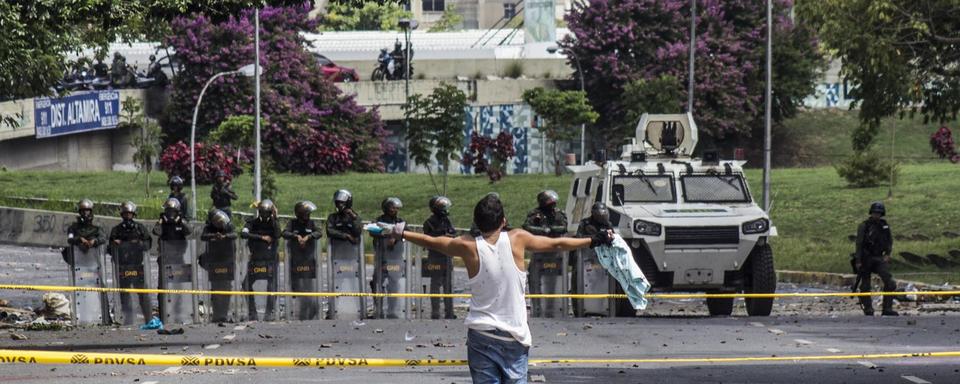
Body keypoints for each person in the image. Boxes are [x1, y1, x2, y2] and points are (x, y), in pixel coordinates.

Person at [375, 194, 612, 383]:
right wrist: (594, 240)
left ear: (477, 222)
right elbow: (558, 243)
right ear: (504, 221)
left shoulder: (467, 246)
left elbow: (433, 241)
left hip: (481, 334)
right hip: (514, 336)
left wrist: (399, 231)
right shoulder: (518, 238)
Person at [522, 190, 568, 317]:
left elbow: (564, 227)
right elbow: (526, 227)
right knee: (535, 280)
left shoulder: (559, 214)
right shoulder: (535, 214)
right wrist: (542, 230)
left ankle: (552, 309)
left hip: (555, 253)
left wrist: (552, 229)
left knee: (554, 283)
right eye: (549, 203)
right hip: (539, 252)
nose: (552, 206)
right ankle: (537, 308)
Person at [108, 202, 153, 325]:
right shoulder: (116, 230)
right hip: (123, 265)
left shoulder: (140, 228)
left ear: (133, 214)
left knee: (143, 294)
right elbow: (110, 249)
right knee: (124, 295)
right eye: (125, 214)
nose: (128, 217)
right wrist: (116, 244)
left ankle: (148, 319)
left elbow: (148, 245)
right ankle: (128, 320)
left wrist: (138, 243)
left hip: (137, 265)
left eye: (130, 214)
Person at [854, 201, 898, 316]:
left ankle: (887, 308)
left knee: (890, 282)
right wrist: (858, 260)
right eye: (875, 213)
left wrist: (887, 254)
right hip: (866, 258)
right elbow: (859, 244)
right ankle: (868, 308)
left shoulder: (884, 225)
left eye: (879, 213)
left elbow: (889, 241)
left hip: (879, 257)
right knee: (865, 285)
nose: (876, 215)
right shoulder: (864, 226)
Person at [240, 199, 281, 321]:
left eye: (267, 212)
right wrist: (261, 237)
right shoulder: (252, 223)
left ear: (270, 213)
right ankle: (253, 312)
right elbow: (243, 233)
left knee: (272, 286)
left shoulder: (273, 224)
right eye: (262, 212)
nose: (264, 215)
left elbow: (278, 234)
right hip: (255, 259)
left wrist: (275, 218)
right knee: (245, 284)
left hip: (270, 260)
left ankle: (269, 312)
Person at [152, 198, 192, 321]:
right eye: (168, 211)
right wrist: (160, 222)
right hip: (165, 258)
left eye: (173, 211)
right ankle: (163, 312)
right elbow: (156, 232)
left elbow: (189, 231)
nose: (170, 214)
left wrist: (180, 221)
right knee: (162, 287)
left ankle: (179, 311)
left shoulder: (181, 222)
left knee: (179, 286)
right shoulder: (162, 222)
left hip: (178, 258)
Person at [282, 201, 322, 320]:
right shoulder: (292, 224)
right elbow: (284, 233)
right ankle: (300, 312)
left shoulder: (311, 223)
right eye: (306, 214)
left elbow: (319, 232)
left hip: (309, 260)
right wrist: (296, 236)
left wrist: (308, 237)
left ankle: (310, 311)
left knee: (309, 288)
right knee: (297, 288)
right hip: (296, 260)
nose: (308, 216)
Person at [572, 202, 613, 316]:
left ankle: (602, 308)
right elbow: (579, 237)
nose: (602, 217)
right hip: (585, 256)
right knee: (580, 281)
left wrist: (608, 239)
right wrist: (594, 238)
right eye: (599, 215)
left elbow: (612, 237)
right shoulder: (585, 223)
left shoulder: (607, 224)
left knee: (602, 282)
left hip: (602, 257)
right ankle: (579, 309)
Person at [199, 209, 237, 323]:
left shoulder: (228, 226)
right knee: (216, 288)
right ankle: (216, 315)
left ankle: (224, 314)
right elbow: (203, 236)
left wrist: (224, 237)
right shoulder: (209, 227)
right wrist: (214, 236)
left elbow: (234, 234)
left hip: (227, 260)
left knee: (226, 288)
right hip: (214, 261)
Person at [370, 197, 405, 318]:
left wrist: (395, 237)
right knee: (377, 283)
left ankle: (392, 311)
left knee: (394, 285)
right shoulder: (379, 220)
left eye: (396, 208)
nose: (395, 210)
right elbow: (372, 231)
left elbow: (407, 232)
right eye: (392, 208)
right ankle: (378, 309)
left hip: (396, 257)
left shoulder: (400, 221)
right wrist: (389, 232)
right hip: (381, 257)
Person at [423, 196, 457, 319]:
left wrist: (449, 235)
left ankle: (449, 312)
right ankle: (435, 312)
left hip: (447, 256)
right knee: (435, 285)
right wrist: (443, 235)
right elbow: (430, 237)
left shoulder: (446, 220)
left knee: (448, 285)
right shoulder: (429, 222)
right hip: (435, 257)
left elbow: (453, 232)